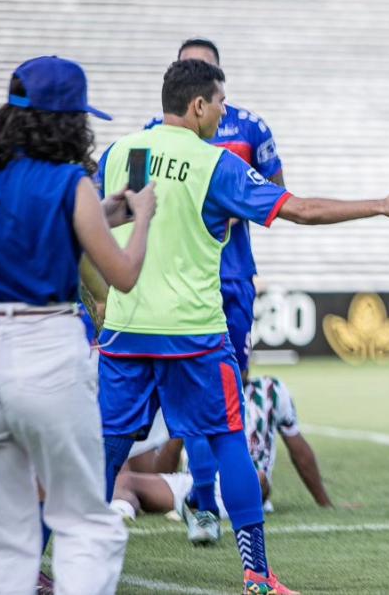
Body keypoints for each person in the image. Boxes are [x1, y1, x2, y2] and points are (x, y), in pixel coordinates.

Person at [95, 58, 389, 595]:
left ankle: (56, 561)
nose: (225, 111)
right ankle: (256, 574)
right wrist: (380, 205)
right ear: (199, 106)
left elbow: (98, 222)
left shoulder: (123, 154)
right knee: (230, 439)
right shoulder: (215, 164)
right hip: (194, 334)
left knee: (106, 449)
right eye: (221, 101)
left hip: (125, 331)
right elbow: (298, 209)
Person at [0, 56, 157, 595]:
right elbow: (124, 274)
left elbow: (35, 216)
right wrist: (144, 219)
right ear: (68, 121)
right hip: (44, 349)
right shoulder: (70, 182)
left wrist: (111, 208)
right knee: (84, 519)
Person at [145, 38, 287, 548]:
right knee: (188, 405)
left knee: (227, 397)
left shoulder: (250, 128)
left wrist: (232, 202)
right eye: (190, 65)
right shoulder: (151, 138)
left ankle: (206, 501)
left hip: (231, 278)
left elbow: (275, 191)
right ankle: (203, 498)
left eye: (207, 67)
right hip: (176, 283)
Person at [112, 373, 332, 521]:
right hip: (193, 483)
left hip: (248, 481)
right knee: (124, 481)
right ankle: (122, 513)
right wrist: (182, 430)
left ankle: (206, 509)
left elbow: (300, 451)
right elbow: (164, 471)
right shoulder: (196, 388)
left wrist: (324, 503)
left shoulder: (270, 389)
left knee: (258, 479)